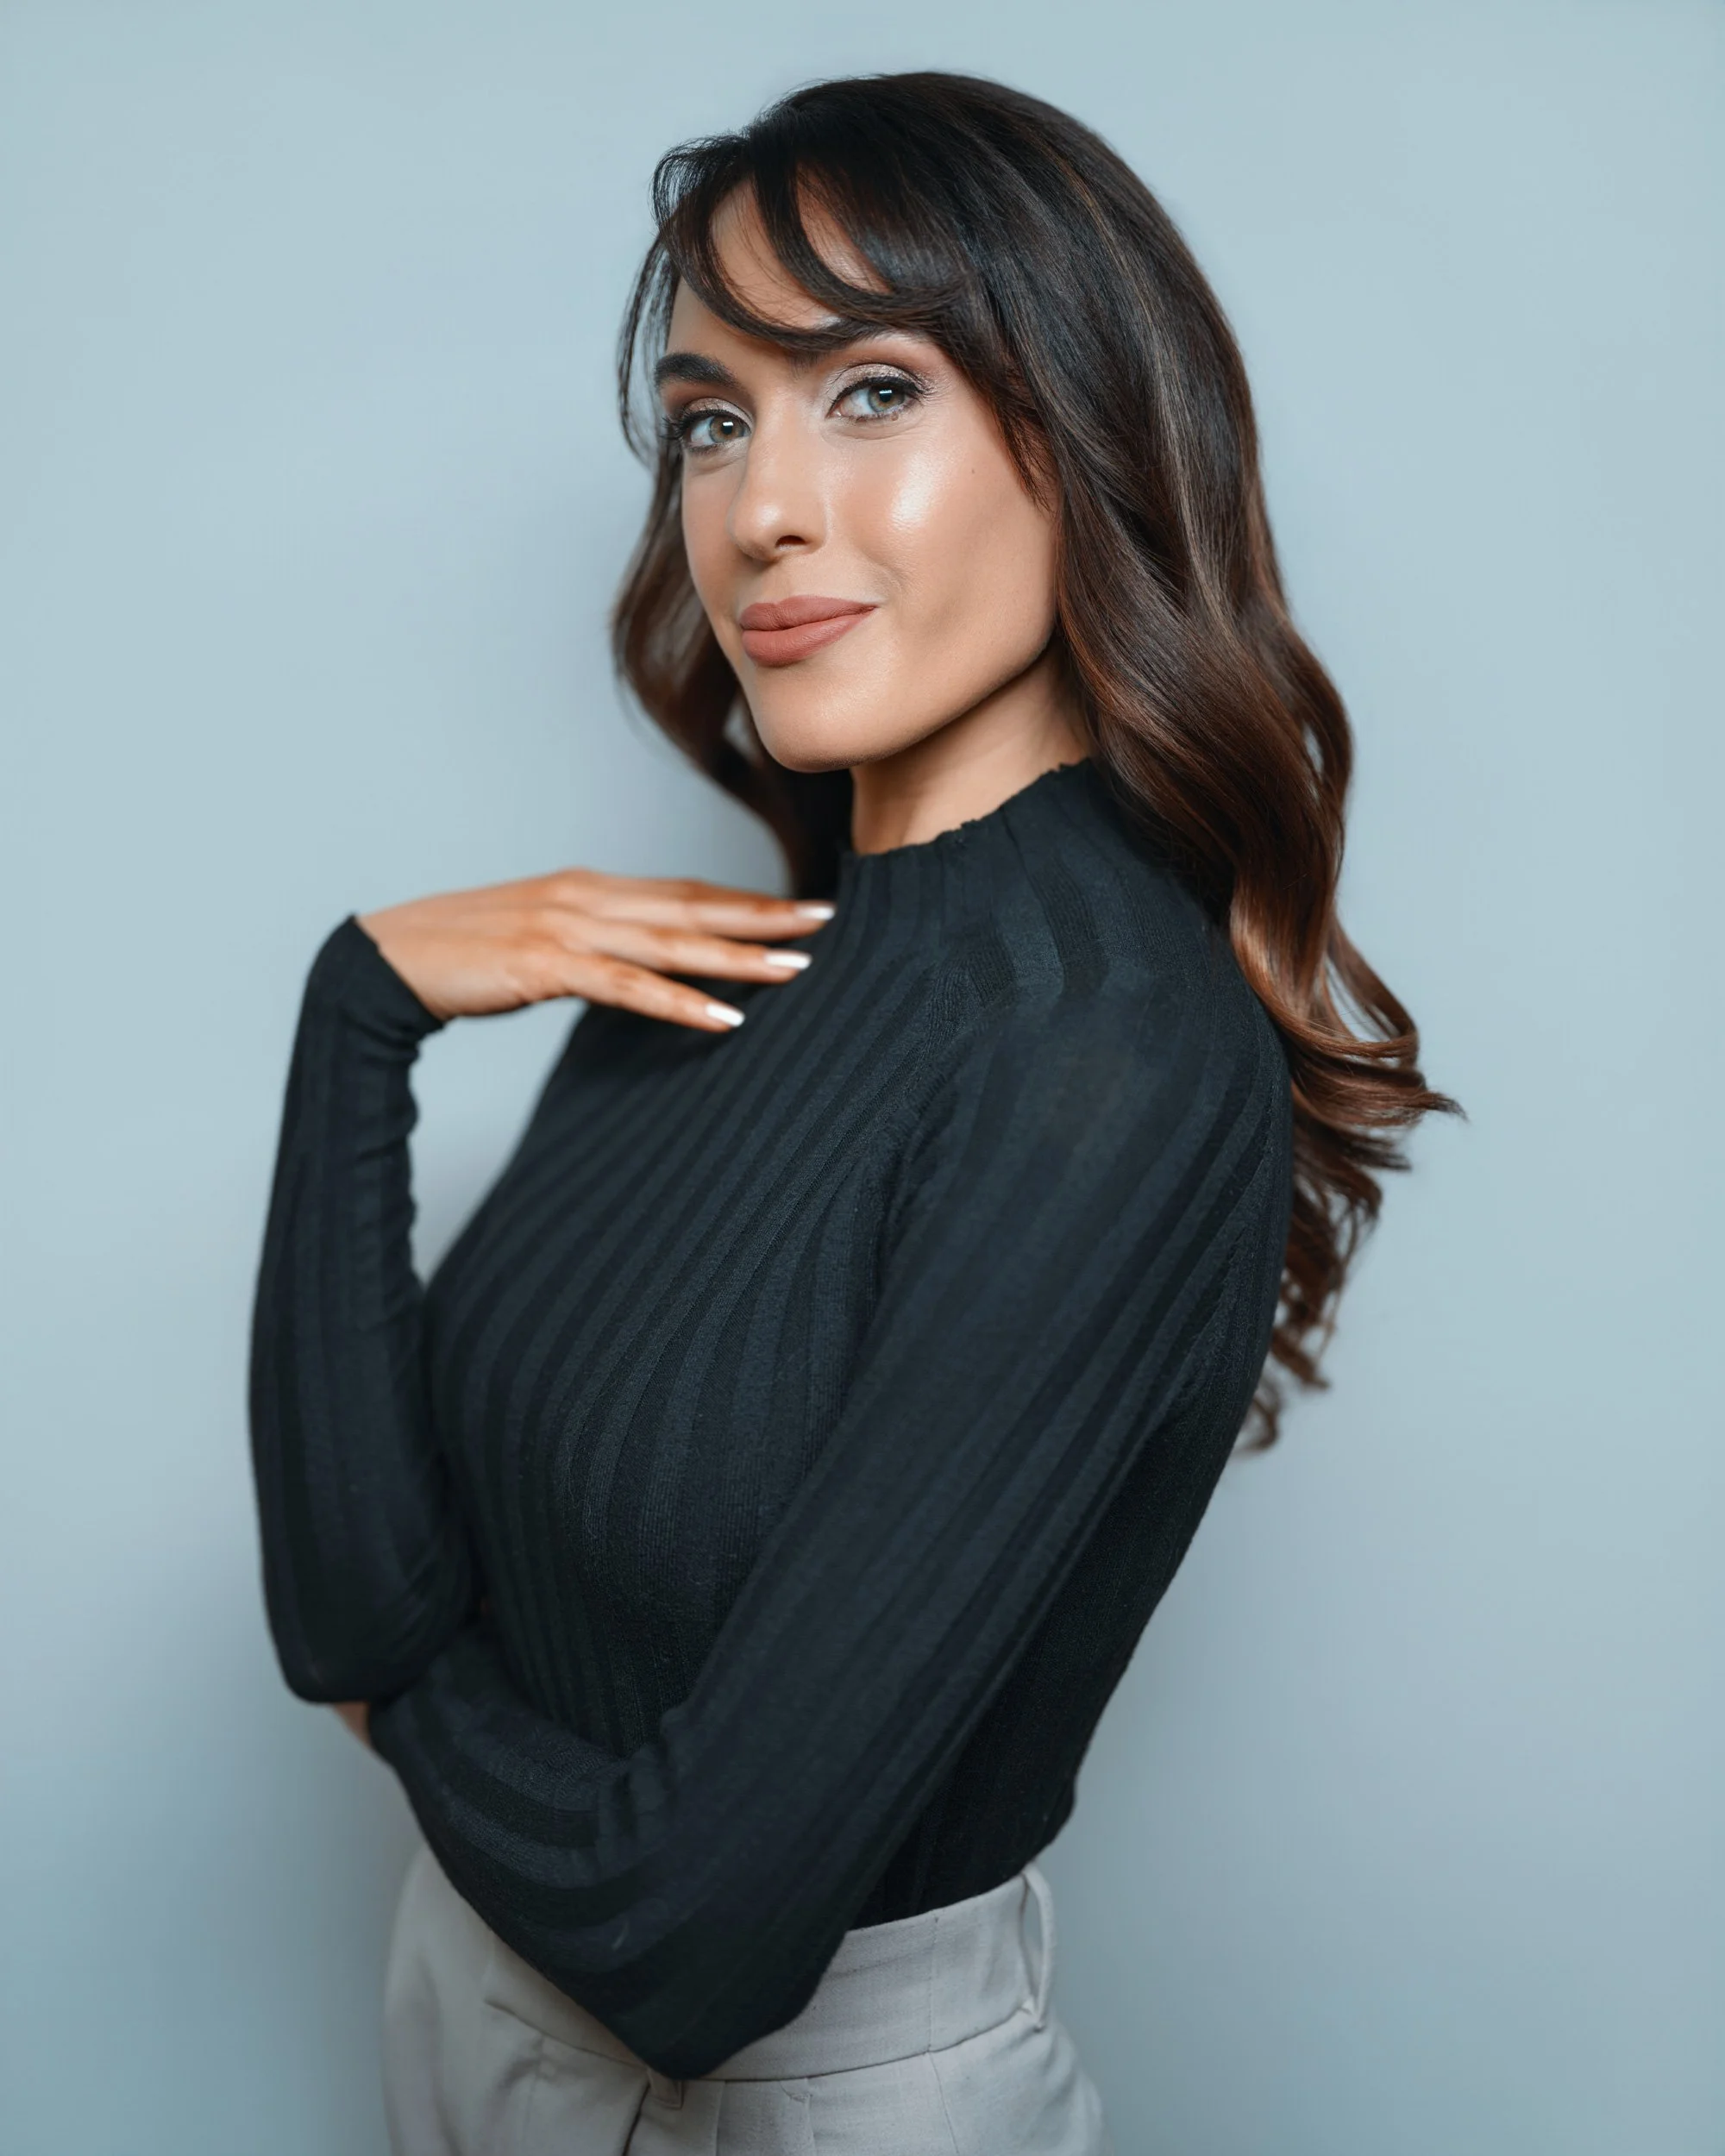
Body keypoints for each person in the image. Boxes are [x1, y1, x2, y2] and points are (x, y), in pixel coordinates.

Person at [248, 70, 1450, 2154]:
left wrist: (402, 1708)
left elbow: (690, 1930)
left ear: (1081, 435)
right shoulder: (730, 960)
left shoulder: (1113, 1061)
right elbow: (343, 1601)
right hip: (464, 2013)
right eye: (715, 420)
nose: (759, 507)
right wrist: (354, 1013)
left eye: (870, 391)